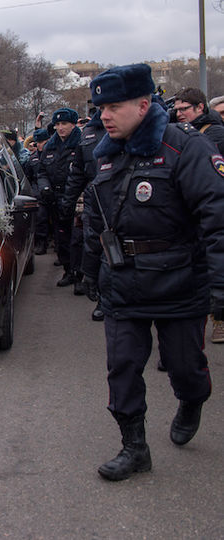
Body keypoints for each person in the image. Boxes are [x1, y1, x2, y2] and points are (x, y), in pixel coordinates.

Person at [82, 64, 224, 481]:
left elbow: (217, 218)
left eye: (114, 106)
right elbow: (96, 218)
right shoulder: (106, 154)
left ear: (144, 105)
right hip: (123, 283)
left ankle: (193, 399)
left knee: (184, 365)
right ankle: (134, 447)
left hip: (179, 280)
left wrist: (220, 285)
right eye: (100, 107)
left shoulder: (185, 148)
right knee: (122, 367)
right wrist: (92, 269)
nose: (104, 115)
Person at [61, 111, 106, 321]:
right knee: (95, 245)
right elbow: (78, 170)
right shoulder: (88, 134)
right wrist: (68, 202)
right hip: (95, 198)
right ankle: (103, 298)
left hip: (128, 198)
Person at [37, 108, 81, 287]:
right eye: (58, 124)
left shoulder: (81, 144)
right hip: (55, 199)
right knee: (61, 238)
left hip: (77, 199)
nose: (61, 128)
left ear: (73, 124)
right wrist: (45, 187)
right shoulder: (50, 146)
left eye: (64, 124)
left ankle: (80, 275)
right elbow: (41, 171)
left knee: (78, 239)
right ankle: (68, 270)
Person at [172, 88, 224, 153]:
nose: (178, 114)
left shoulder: (216, 132)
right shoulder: (178, 130)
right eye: (176, 110)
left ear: (199, 107)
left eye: (183, 109)